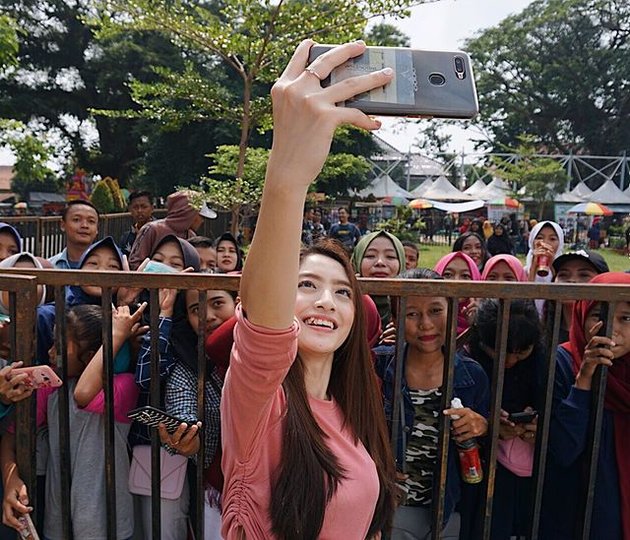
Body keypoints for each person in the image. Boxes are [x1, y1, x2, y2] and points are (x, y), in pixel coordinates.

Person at [218, 40, 396, 539]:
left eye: (342, 292)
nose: (326, 301)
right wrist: (288, 178)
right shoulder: (260, 402)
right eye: (307, 285)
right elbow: (264, 330)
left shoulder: (352, 410)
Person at [1, 303, 144, 539]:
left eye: (59, 346)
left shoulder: (124, 386)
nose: (49, 351)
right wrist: (10, 479)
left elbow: (83, 394)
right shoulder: (52, 389)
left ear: (90, 356)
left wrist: (117, 333)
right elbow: (12, 436)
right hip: (59, 521)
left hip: (108, 524)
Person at [375, 268, 489, 539]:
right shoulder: (378, 366)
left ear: (453, 311)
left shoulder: (472, 376)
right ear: (396, 319)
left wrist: (483, 426)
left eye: (436, 311)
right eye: (412, 314)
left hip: (448, 508)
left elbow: (489, 441)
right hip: (389, 507)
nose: (425, 324)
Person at [541, 273, 630, 540]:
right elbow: (563, 449)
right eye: (598, 315)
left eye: (625, 318)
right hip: (580, 504)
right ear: (580, 317)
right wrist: (585, 378)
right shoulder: (565, 361)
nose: (611, 329)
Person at [131, 236, 200, 540]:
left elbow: (149, 377)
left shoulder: (190, 327)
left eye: (176, 265)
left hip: (170, 454)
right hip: (130, 446)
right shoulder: (132, 311)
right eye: (159, 260)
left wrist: (167, 315)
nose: (165, 270)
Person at [159, 288, 238, 540]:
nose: (207, 316)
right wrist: (188, 441)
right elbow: (184, 414)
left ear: (237, 303)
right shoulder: (189, 368)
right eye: (196, 310)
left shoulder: (269, 350)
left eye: (217, 303)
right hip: (218, 491)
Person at [466, 299, 544, 540]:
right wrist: (487, 422)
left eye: (521, 353)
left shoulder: (544, 360)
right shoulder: (468, 360)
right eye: (498, 351)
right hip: (478, 471)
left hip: (528, 471)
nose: (510, 361)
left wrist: (540, 426)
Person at [128, 191, 214, 270]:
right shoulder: (152, 229)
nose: (202, 221)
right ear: (189, 213)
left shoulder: (191, 235)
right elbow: (135, 262)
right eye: (200, 216)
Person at [546, 250, 609, 344]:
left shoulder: (612, 331)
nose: (572, 280)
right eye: (563, 275)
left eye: (584, 275)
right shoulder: (541, 329)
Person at [351, 230, 406, 329]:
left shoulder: (412, 304)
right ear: (357, 260)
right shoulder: (344, 303)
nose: (380, 262)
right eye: (370, 256)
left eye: (390, 256)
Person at [434, 252, 481, 335]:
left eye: (465, 276)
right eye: (448, 275)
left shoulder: (483, 316)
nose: (456, 281)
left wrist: (476, 323)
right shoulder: (426, 316)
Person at [48, 200, 99, 269]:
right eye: (76, 219)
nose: (84, 225)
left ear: (97, 229)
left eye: (91, 221)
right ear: (62, 225)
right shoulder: (50, 267)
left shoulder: (109, 269)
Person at [119, 191, 154, 256]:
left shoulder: (160, 233)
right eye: (135, 207)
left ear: (152, 208)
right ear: (130, 209)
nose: (139, 211)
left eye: (144, 207)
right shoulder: (126, 238)